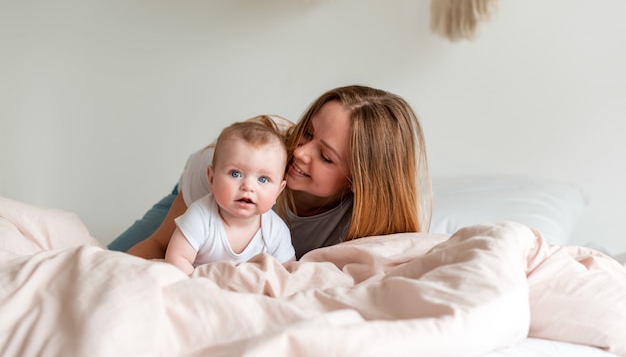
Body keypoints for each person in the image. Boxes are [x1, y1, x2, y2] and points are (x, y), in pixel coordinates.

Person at [109, 85, 432, 260]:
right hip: (206, 201)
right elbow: (157, 246)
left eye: (325, 156)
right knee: (109, 260)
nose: (301, 152)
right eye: (307, 132)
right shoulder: (233, 174)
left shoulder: (368, 225)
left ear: (358, 183)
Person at [164, 121, 296, 275]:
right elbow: (177, 258)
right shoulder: (200, 216)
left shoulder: (276, 231)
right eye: (235, 174)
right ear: (212, 179)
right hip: (203, 289)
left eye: (263, 179)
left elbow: (288, 274)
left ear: (278, 192)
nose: (248, 186)